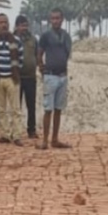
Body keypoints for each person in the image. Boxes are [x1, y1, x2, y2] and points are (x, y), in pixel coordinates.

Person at [37, 8, 72, 150]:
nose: (56, 21)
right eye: (53, 18)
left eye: (58, 18)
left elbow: (68, 53)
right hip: (50, 76)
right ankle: (45, 140)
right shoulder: (45, 36)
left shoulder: (66, 36)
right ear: (50, 20)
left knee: (58, 109)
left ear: (62, 19)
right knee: (48, 109)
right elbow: (39, 53)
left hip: (63, 76)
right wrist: (41, 67)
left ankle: (55, 139)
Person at [0, 12, 24, 146]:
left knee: (15, 109)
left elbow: (20, 60)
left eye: (6, 22)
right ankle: (5, 134)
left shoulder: (17, 40)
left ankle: (17, 135)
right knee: (0, 109)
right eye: (1, 22)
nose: (4, 25)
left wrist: (14, 73)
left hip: (12, 79)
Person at [15, 14, 38, 139]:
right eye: (22, 26)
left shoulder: (33, 39)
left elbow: (36, 54)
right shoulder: (12, 39)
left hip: (30, 77)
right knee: (16, 106)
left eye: (26, 25)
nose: (24, 28)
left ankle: (32, 130)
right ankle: (16, 131)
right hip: (16, 78)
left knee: (31, 105)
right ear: (17, 26)